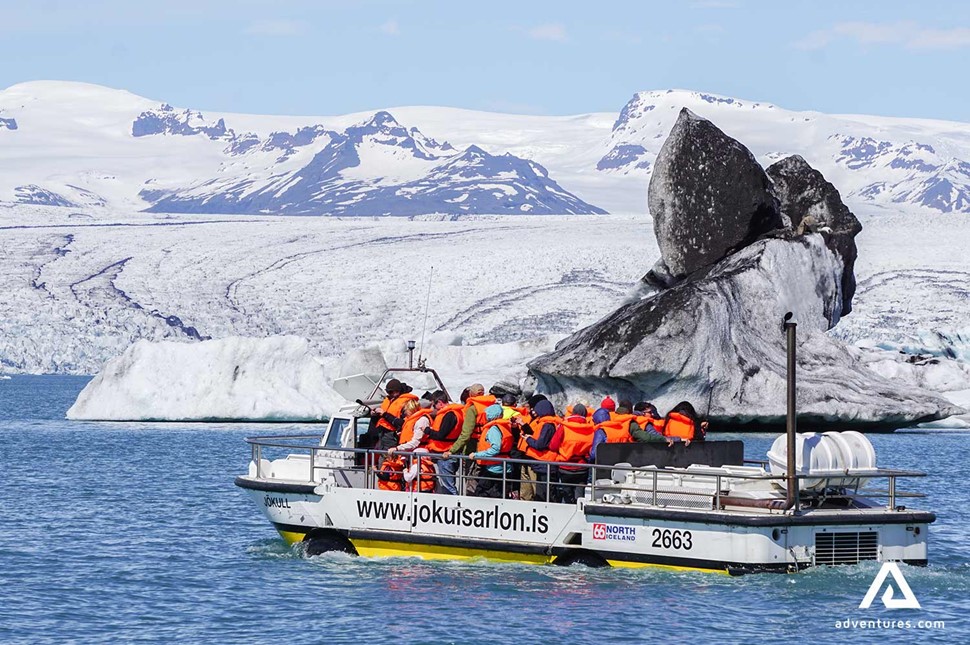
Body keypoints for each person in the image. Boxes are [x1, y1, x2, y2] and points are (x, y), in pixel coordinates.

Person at [443, 383, 496, 493]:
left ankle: (470, 502)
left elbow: (466, 434)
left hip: (474, 447)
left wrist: (452, 450)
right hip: (490, 447)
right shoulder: (493, 406)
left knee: (471, 479)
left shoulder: (473, 409)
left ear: (471, 394)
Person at [520, 399, 562, 502]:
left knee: (544, 494)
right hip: (543, 463)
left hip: (545, 462)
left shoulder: (547, 425)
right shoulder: (550, 423)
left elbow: (540, 444)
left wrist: (528, 439)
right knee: (543, 492)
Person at [424, 391, 465, 495]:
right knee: (448, 484)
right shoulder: (457, 412)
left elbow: (441, 435)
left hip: (445, 455)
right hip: (449, 452)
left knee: (448, 486)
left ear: (440, 403)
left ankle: (454, 508)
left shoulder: (449, 415)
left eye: (434, 405)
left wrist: (428, 431)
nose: (433, 408)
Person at [469, 404, 513, 498]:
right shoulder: (504, 426)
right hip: (504, 466)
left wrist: (477, 455)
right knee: (500, 494)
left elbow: (495, 449)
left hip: (495, 468)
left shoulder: (494, 429)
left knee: (482, 493)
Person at [555, 404, 595, 503]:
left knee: (566, 494)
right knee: (580, 497)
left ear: (572, 413)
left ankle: (566, 513)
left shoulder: (564, 427)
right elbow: (592, 449)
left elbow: (553, 445)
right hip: (582, 467)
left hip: (565, 467)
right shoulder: (590, 428)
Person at [372, 378, 418, 451]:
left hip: (393, 434)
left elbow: (403, 423)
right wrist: (375, 414)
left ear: (397, 391)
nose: (389, 394)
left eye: (390, 392)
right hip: (383, 432)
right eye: (388, 392)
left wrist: (384, 414)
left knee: (389, 457)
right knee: (382, 454)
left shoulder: (406, 403)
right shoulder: (389, 399)